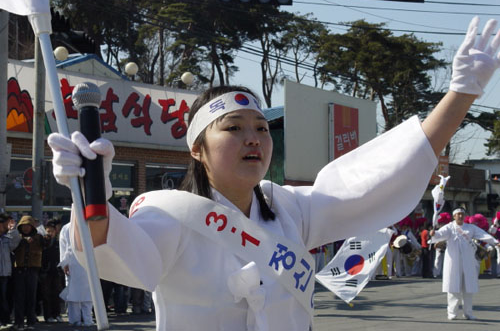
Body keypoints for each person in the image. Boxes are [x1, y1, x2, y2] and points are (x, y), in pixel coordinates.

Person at [48, 17, 500, 330]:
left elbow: (380, 175)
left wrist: (460, 94)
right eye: (234, 128)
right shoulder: (169, 215)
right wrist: (90, 192)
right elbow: (117, 251)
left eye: (262, 129)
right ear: (197, 150)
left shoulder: (289, 208)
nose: (254, 139)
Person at [430, 207, 500, 320]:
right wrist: (434, 234)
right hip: (453, 262)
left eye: (462, 214)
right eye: (458, 214)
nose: (460, 216)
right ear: (454, 216)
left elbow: (483, 235)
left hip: (468, 262)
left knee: (468, 288)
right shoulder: (449, 227)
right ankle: (452, 313)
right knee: (453, 288)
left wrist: (495, 242)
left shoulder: (470, 228)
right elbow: (439, 234)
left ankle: (468, 313)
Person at [12, 215, 50, 330]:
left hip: (33, 270)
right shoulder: (17, 237)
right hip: (19, 270)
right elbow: (11, 247)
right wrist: (22, 240)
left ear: (32, 226)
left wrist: (48, 237)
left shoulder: (39, 237)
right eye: (23, 226)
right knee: (19, 297)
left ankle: (30, 322)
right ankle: (18, 322)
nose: (26, 228)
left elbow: (46, 245)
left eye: (28, 226)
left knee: (31, 297)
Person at [59, 223, 94, 327]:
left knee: (88, 293)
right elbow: (63, 246)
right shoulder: (67, 227)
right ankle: (75, 320)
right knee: (73, 293)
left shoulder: (88, 225)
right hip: (72, 263)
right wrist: (64, 263)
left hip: (87, 262)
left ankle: (88, 319)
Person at [40, 220, 64, 323]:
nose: (50, 233)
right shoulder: (43, 243)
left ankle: (57, 314)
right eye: (48, 231)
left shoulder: (58, 243)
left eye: (52, 231)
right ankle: (48, 316)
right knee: (46, 295)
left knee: (56, 294)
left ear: (55, 232)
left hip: (56, 271)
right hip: (46, 271)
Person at [0, 214, 21, 328]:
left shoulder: (7, 238)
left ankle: (4, 319)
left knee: (4, 297)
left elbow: (15, 243)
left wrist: (13, 230)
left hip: (4, 272)